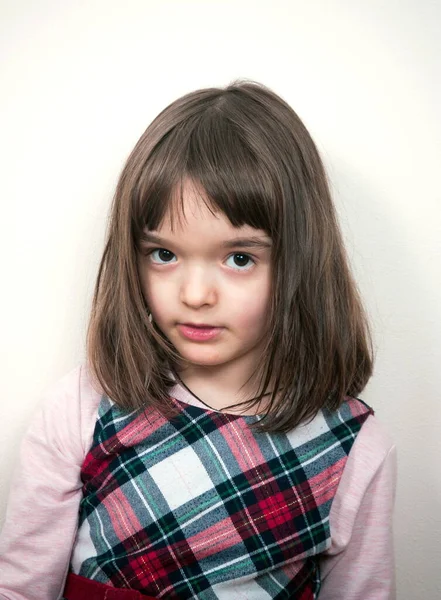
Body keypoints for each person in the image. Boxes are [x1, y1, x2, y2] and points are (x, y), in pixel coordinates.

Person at [0, 81, 397, 600]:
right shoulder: (83, 406)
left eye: (239, 258)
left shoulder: (355, 450)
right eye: (163, 254)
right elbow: (22, 588)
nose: (194, 294)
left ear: (298, 260)